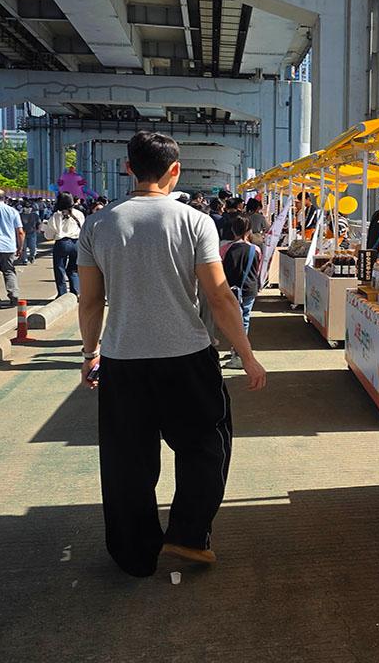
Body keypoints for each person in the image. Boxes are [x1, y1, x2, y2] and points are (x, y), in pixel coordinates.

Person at [77, 130, 266, 577]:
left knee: (127, 460)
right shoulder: (194, 221)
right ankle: (187, 534)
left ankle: (134, 555)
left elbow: (89, 302)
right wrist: (247, 354)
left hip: (123, 360)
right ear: (175, 170)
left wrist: (90, 354)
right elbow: (220, 297)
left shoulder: (98, 224)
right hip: (188, 356)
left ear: (128, 167)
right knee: (206, 445)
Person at [220, 214, 262, 370]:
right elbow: (257, 271)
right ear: (249, 230)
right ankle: (238, 351)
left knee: (232, 321)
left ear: (233, 230)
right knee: (244, 319)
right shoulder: (255, 249)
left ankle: (237, 353)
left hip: (229, 289)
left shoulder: (224, 249)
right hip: (249, 289)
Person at [43, 192, 84, 297]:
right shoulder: (79, 214)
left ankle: (62, 293)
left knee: (59, 268)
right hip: (76, 243)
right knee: (74, 269)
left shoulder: (56, 215)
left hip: (62, 243)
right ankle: (75, 292)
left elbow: (49, 235)